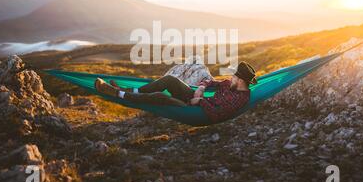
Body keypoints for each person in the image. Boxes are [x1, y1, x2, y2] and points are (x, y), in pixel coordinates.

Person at [94, 61, 257, 123]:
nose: (231, 78)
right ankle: (129, 89)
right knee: (170, 80)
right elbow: (211, 82)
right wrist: (201, 88)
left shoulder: (239, 98)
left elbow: (218, 114)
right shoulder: (231, 84)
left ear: (241, 81)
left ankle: (118, 94)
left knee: (159, 97)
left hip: (197, 112)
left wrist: (200, 101)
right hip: (194, 100)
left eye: (234, 77)